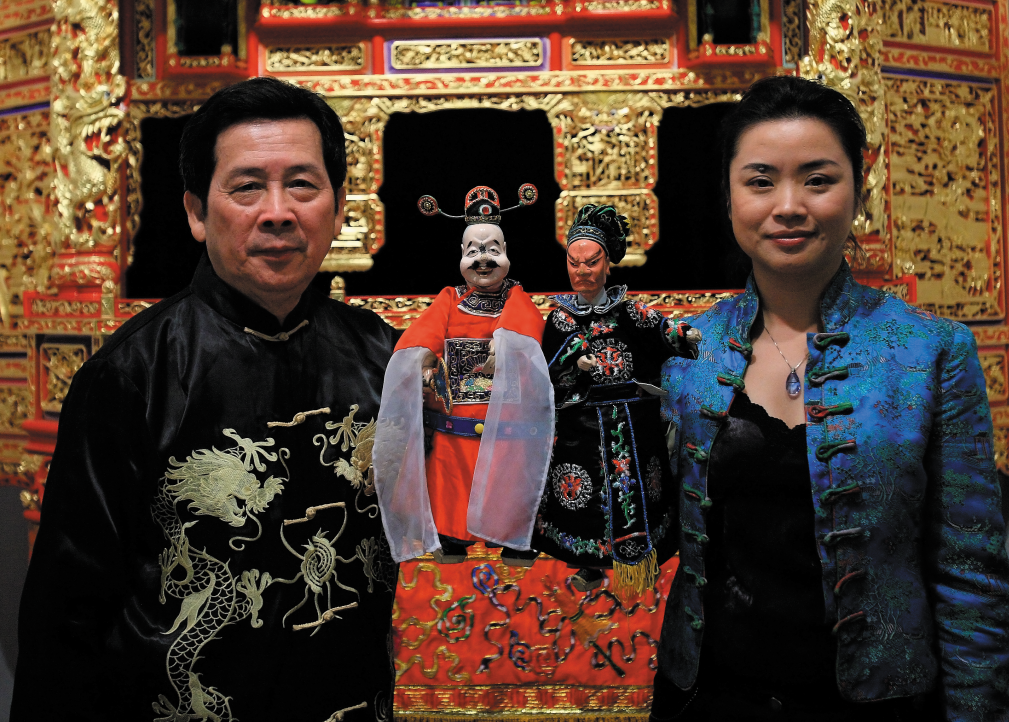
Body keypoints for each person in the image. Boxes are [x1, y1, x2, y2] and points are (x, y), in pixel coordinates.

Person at [11, 77, 399, 722]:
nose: (278, 211)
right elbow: (68, 612)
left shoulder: (386, 358)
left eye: (302, 185)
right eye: (247, 187)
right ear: (196, 212)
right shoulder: (132, 373)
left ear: (338, 210)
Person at [653, 75, 1009, 721]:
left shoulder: (931, 351)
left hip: (882, 701)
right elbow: (649, 523)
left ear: (859, 188)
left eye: (817, 179)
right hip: (711, 696)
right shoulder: (684, 353)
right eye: (760, 181)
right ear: (729, 196)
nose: (788, 205)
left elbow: (970, 569)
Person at [374, 185, 554, 566]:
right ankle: (452, 536)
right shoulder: (450, 299)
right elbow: (423, 335)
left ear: (506, 251)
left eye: (492, 250)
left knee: (508, 478)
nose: (483, 260)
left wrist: (505, 342)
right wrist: (425, 362)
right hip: (456, 423)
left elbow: (527, 324)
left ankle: (513, 538)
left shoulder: (516, 298)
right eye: (473, 251)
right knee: (452, 479)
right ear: (461, 253)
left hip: (506, 425)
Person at [531, 205, 700, 595]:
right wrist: (576, 362)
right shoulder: (560, 317)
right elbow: (550, 364)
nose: (582, 271)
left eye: (592, 262)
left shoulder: (627, 309)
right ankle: (588, 562)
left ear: (607, 264)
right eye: (574, 263)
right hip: (582, 422)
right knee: (583, 494)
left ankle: (644, 561)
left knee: (640, 489)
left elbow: (657, 326)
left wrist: (681, 334)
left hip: (633, 419)